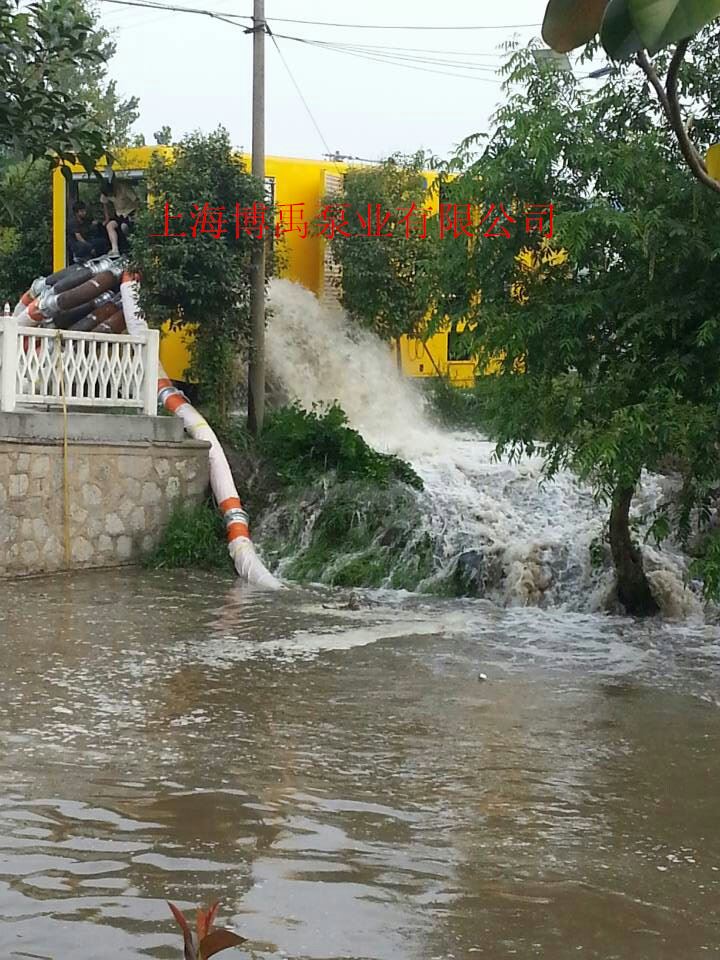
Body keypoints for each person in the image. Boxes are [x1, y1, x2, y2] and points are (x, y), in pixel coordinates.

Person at [101, 177, 139, 257]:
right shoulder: (105, 191)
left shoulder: (124, 188)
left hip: (130, 213)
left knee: (124, 227)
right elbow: (104, 203)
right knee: (109, 226)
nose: (112, 196)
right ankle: (115, 249)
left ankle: (131, 248)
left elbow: (136, 200)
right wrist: (107, 218)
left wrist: (137, 215)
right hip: (118, 215)